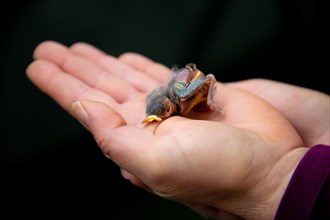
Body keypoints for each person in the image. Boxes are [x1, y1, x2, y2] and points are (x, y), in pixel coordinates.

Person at [26, 41, 329, 220]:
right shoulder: (156, 103)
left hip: (188, 87)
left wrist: (275, 181)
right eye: (159, 117)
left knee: (195, 92)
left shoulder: (182, 95)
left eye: (164, 115)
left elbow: (204, 77)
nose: (165, 117)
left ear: (168, 109)